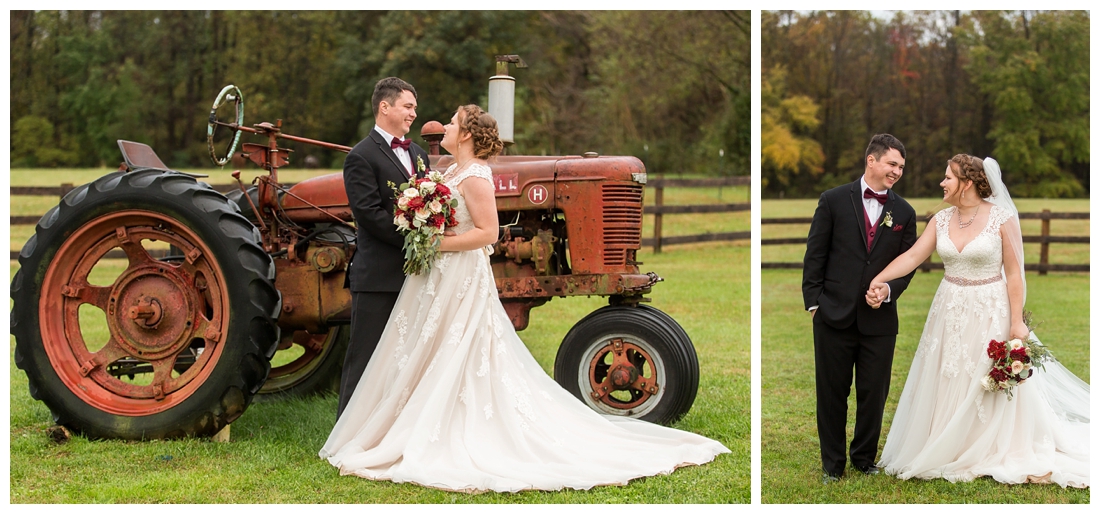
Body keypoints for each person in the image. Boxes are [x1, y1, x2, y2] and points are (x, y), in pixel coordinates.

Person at [320, 105, 729, 493]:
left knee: (461, 348)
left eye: (452, 121)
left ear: (465, 134)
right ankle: (409, 423)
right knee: (432, 348)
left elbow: (489, 233)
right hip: (438, 276)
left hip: (458, 272)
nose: (443, 125)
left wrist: (437, 242)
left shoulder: (475, 175)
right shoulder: (450, 169)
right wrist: (424, 230)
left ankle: (452, 429)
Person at [866, 155, 1089, 488]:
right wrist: (879, 280)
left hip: (990, 309)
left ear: (966, 182)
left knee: (984, 375)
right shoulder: (941, 219)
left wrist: (1017, 323)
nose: (941, 183)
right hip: (948, 308)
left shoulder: (1002, 218)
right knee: (948, 373)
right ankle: (948, 442)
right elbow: (912, 256)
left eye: (948, 178)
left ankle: (990, 445)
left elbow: (1015, 274)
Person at [802, 134, 918, 484]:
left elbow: (907, 264)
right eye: (891, 164)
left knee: (874, 393)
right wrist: (813, 303)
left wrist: (887, 291)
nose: (896, 171)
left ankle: (864, 458)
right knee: (832, 393)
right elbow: (815, 255)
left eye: (901, 166)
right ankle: (832, 464)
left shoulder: (905, 212)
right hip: (832, 315)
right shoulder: (833, 200)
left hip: (879, 320)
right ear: (872, 160)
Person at [339, 77, 432, 418]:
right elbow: (369, 215)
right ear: (385, 107)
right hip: (378, 276)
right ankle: (346, 433)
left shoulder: (419, 155)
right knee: (364, 358)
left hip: (417, 275)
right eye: (408, 107)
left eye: (414, 108)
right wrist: (417, 239)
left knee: (406, 358)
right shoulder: (360, 157)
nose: (413, 114)